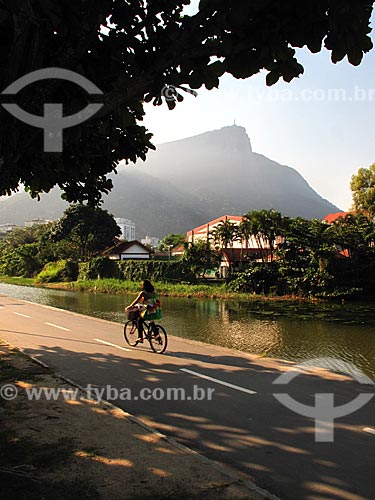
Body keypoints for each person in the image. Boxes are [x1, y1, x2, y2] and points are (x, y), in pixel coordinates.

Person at [125, 279, 161, 344]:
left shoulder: (143, 293)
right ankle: (156, 335)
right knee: (151, 321)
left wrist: (130, 306)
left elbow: (136, 300)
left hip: (147, 312)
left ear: (144, 286)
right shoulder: (154, 293)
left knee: (139, 320)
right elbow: (156, 302)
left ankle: (140, 337)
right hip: (155, 311)